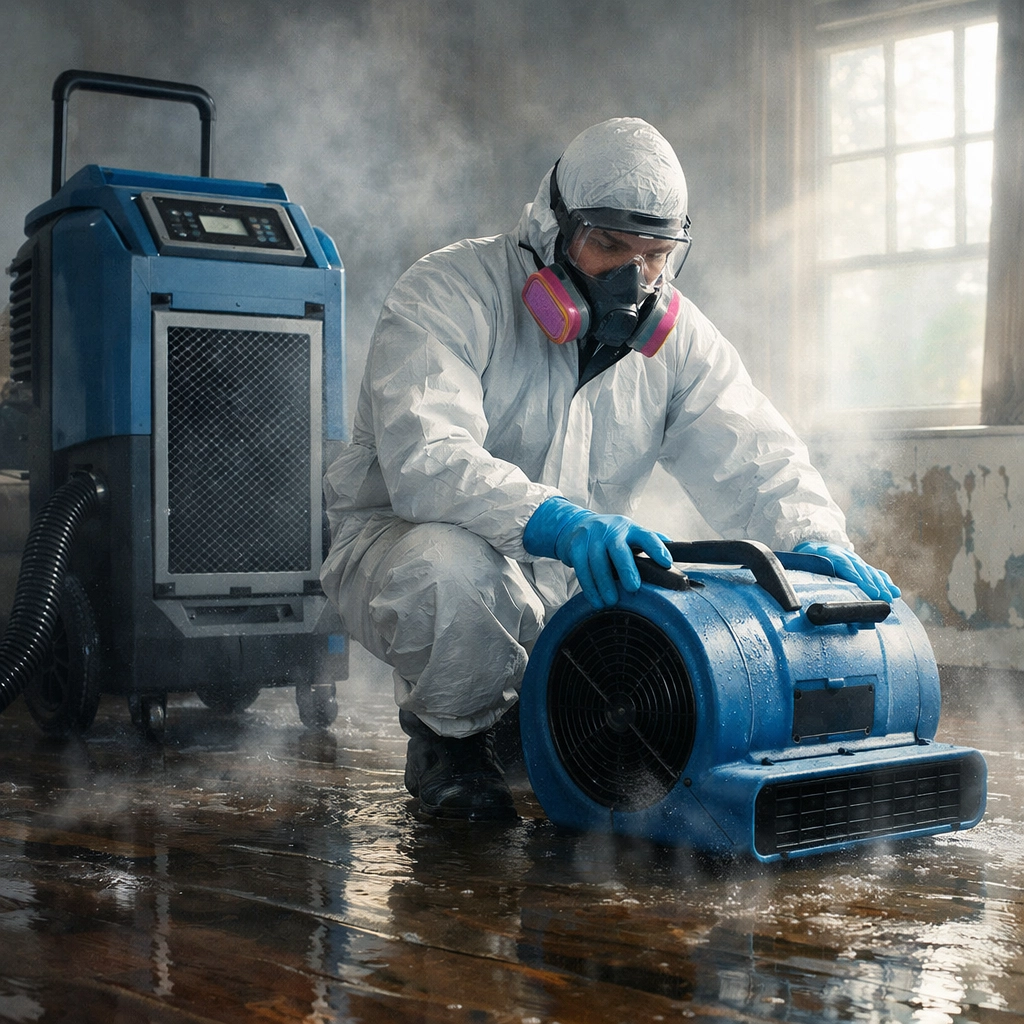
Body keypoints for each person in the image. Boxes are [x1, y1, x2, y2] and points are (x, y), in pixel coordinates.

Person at [321, 117, 899, 823]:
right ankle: (455, 745)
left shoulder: (681, 339)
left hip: (565, 574)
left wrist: (818, 544)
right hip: (404, 548)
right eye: (609, 246)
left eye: (656, 253)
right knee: (453, 570)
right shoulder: (450, 292)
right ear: (551, 228)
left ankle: (536, 723)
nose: (635, 276)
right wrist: (557, 521)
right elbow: (426, 460)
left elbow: (755, 456)